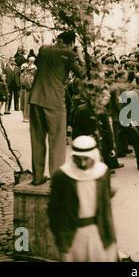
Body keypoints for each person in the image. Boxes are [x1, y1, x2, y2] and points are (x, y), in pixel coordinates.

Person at [48, 135, 118, 262]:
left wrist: (111, 239)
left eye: (87, 159)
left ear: (94, 156)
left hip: (99, 233)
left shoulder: (102, 173)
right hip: (72, 236)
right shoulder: (62, 176)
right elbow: (53, 210)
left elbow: (106, 208)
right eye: (78, 159)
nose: (83, 163)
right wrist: (61, 241)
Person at [29, 30, 83, 185]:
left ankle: (38, 177)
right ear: (72, 43)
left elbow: (40, 64)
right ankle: (57, 179)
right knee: (57, 142)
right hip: (54, 101)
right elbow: (82, 74)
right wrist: (79, 56)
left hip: (35, 98)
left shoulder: (44, 50)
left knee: (37, 140)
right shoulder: (69, 54)